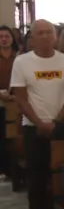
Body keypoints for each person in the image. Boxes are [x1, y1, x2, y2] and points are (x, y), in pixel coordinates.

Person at [10, 20, 64, 209]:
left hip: (63, 127)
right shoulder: (22, 62)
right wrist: (40, 123)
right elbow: (21, 98)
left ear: (55, 36)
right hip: (33, 128)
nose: (46, 36)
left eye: (49, 32)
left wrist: (55, 123)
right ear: (33, 37)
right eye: (40, 33)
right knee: (37, 182)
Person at [0, 26, 17, 180]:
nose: (4, 39)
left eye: (7, 36)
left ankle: (13, 170)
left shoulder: (19, 57)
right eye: (1, 37)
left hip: (16, 101)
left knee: (12, 137)